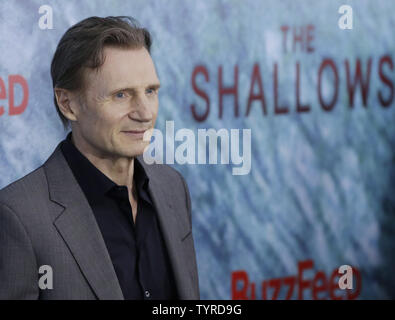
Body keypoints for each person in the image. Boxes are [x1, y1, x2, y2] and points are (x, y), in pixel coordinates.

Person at [0, 16, 199, 300]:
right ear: (68, 104)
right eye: (121, 95)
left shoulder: (172, 187)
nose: (144, 113)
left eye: (150, 91)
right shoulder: (19, 217)